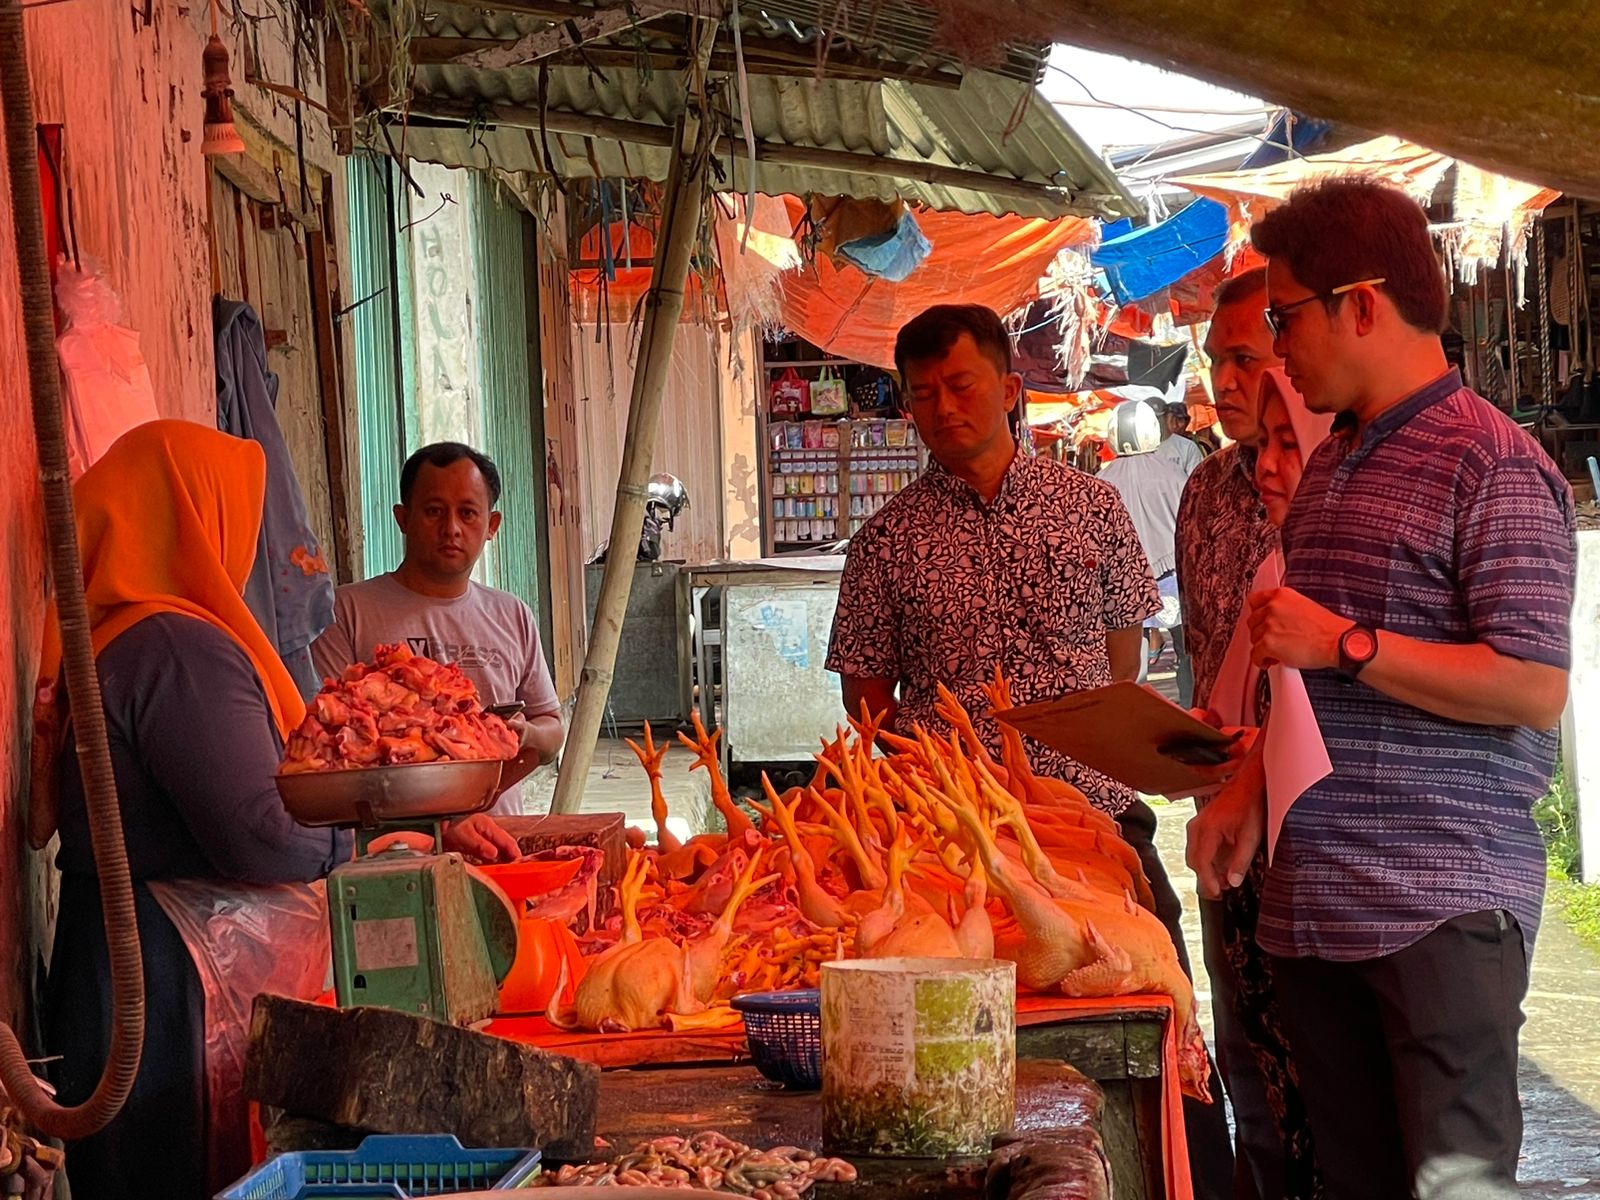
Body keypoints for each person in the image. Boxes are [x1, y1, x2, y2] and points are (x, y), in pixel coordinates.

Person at [1189, 179, 1577, 1200]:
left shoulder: (1495, 464)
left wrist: (1347, 643)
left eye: (1283, 318)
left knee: (1453, 1187)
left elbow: (1532, 686)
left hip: (1437, 911)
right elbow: (1301, 692)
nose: (1277, 351)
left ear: (1360, 304)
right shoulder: (1332, 464)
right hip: (1315, 906)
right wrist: (1244, 796)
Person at [826, 303, 1235, 1198]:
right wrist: (923, 764)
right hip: (954, 841)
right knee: (954, 1033)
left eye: (961, 385)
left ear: (1010, 390)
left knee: (1156, 1004)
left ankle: (1186, 1177)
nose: (943, 407)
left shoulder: (1089, 504)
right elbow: (863, 690)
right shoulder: (885, 540)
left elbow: (1127, 647)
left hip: (1089, 815)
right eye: (922, 394)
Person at [1177, 269, 1322, 1200]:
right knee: (1247, 1067)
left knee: (1324, 1081)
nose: (1224, 379)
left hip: (1317, 835)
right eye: (1216, 357)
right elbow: (1208, 658)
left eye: (1245, 357)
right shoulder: (1202, 495)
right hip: (1227, 834)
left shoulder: (1337, 493)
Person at [313, 442, 564, 820]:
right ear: (402, 517)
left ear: (491, 525)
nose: (451, 528)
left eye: (467, 513)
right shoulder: (346, 611)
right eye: (433, 511)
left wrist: (522, 734)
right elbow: (322, 732)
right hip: (394, 845)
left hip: (500, 841)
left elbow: (552, 728)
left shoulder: (512, 614)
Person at [1096, 399, 1189, 678]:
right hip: (1172, 576)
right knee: (1188, 653)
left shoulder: (1100, 482)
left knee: (1131, 665)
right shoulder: (1173, 475)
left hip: (1123, 585)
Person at [1157, 399, 1205, 475]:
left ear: (1187, 422)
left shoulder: (1193, 446)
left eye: (1180, 420)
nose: (1175, 425)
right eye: (1172, 420)